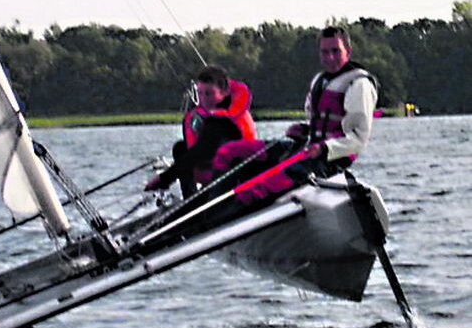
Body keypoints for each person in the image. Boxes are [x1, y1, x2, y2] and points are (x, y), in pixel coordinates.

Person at [212, 25, 379, 205]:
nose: (330, 57)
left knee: (255, 189)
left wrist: (324, 149)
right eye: (325, 52)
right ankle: (209, 205)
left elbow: (358, 139)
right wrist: (304, 129)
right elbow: (322, 123)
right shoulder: (320, 80)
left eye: (335, 51)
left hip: (327, 162)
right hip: (304, 149)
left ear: (348, 51)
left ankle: (223, 214)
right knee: (228, 152)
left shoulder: (359, 85)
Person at [145, 64, 257, 197]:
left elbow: (202, 152)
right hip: (216, 169)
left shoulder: (223, 120)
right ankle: (191, 197)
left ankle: (199, 201)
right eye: (200, 93)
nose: (204, 100)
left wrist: (165, 178)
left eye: (209, 93)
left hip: (237, 174)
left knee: (188, 157)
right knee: (180, 148)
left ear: (225, 92)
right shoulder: (212, 114)